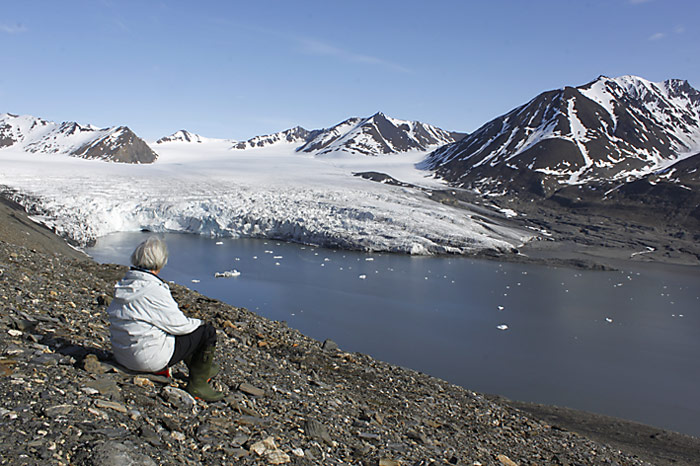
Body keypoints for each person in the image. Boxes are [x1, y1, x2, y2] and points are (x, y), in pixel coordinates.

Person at [106, 236, 224, 402]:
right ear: (160, 262)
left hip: (123, 355)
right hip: (146, 359)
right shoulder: (154, 289)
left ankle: (201, 368)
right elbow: (179, 325)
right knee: (206, 332)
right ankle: (198, 384)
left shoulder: (126, 283)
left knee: (171, 330)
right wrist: (199, 323)